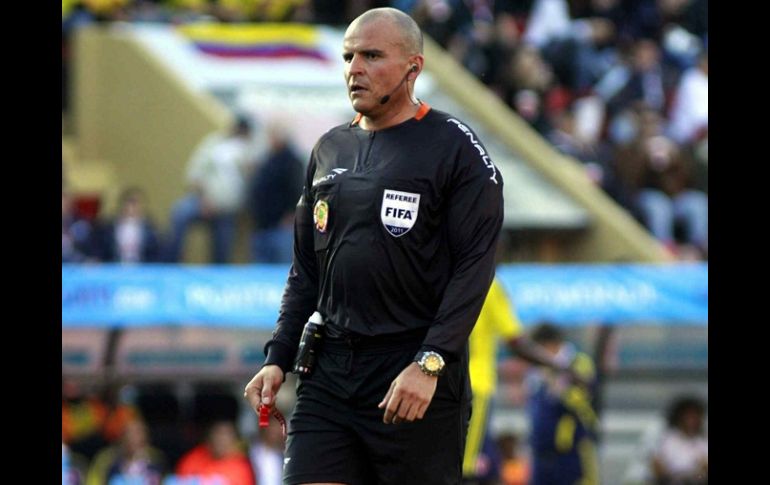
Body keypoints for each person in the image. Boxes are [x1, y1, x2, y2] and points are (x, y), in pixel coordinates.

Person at [243, 7, 504, 485]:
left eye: (371, 56)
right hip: (330, 372)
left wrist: (430, 363)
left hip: (410, 369)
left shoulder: (455, 150)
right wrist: (278, 357)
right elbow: (305, 271)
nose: (354, 69)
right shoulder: (328, 150)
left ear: (413, 67)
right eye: (347, 57)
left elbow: (475, 266)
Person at [462, 278, 588, 484]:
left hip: (439, 383)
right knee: (465, 470)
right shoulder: (485, 284)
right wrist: (560, 367)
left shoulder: (442, 278)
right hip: (475, 388)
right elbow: (516, 342)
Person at [165, 114, 257, 264]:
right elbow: (193, 175)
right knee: (180, 213)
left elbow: (252, 185)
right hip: (202, 201)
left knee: (224, 245)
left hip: (228, 210)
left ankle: (217, 276)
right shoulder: (214, 144)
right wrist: (204, 199)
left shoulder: (251, 152)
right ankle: (170, 264)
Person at [526, 323, 600, 485]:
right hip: (541, 452)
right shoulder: (537, 370)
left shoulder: (579, 362)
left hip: (570, 452)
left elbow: (582, 401)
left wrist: (556, 383)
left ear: (551, 344)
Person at [247, 120, 305, 263]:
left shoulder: (292, 161)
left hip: (280, 227)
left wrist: (292, 214)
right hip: (262, 225)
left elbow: (298, 190)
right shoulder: (268, 158)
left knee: (282, 272)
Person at [85, 418, 167, 485]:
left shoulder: (156, 459)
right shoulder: (106, 459)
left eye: (139, 435)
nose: (134, 439)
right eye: (129, 435)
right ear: (121, 438)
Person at [175, 420, 255, 485]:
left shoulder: (242, 466)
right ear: (208, 438)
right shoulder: (192, 459)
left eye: (226, 436)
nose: (221, 440)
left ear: (234, 440)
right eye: (217, 434)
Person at [96, 186, 162, 264]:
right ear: (122, 204)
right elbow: (101, 250)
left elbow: (156, 252)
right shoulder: (109, 227)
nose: (132, 207)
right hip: (114, 268)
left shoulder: (150, 228)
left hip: (143, 270)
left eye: (137, 203)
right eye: (130, 202)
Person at [650, 395, 708, 485]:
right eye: (688, 416)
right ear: (680, 417)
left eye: (695, 416)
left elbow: (704, 466)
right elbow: (656, 464)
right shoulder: (666, 439)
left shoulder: (703, 441)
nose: (692, 420)